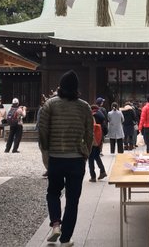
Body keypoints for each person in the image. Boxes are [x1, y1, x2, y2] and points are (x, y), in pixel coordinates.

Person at [39, 70, 93, 246]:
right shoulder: (84, 106)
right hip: (76, 158)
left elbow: (43, 132)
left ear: (60, 86)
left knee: (53, 192)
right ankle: (66, 238)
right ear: (76, 88)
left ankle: (55, 224)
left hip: (56, 157)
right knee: (72, 199)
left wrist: (45, 153)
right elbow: (89, 133)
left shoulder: (50, 105)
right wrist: (86, 152)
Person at [88, 108, 107, 182]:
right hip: (99, 139)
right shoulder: (100, 115)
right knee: (96, 156)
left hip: (92, 140)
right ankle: (102, 171)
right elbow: (104, 128)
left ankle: (93, 176)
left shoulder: (91, 116)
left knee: (90, 158)